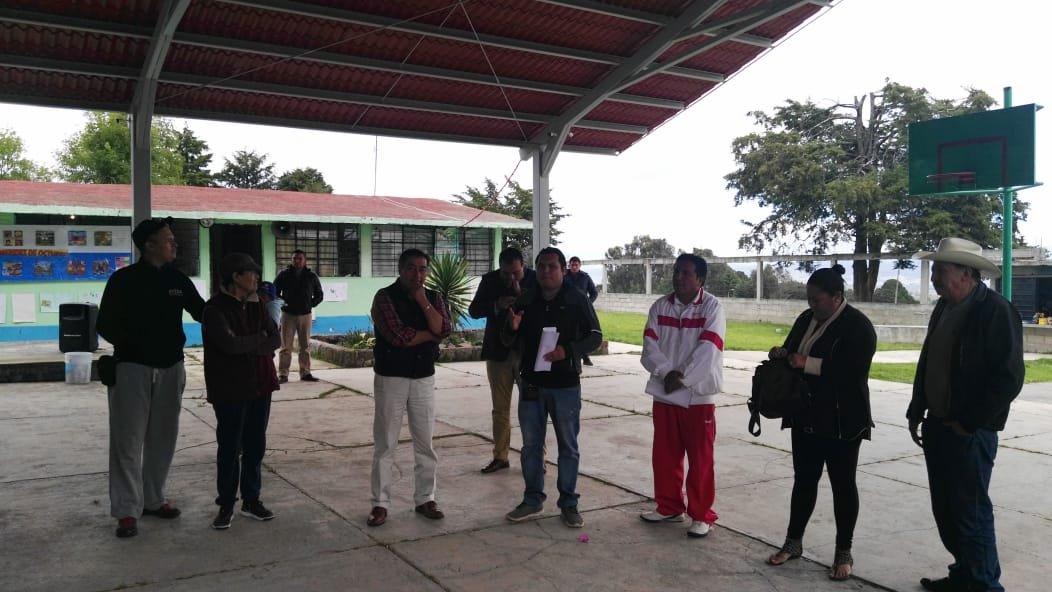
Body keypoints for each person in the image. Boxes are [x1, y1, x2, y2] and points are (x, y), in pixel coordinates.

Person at [907, 238, 1024, 592]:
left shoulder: (995, 311)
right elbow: (928, 361)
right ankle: (965, 575)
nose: (934, 278)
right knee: (946, 510)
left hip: (970, 432)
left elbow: (1009, 378)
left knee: (971, 513)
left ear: (966, 274)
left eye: (940, 270)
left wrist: (969, 421)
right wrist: (917, 408)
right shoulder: (944, 307)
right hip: (938, 424)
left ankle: (985, 585)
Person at [764, 264, 877, 580]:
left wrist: (808, 363)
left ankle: (843, 552)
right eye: (809, 299)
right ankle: (793, 542)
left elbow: (854, 371)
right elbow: (792, 350)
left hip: (843, 419)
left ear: (836, 296)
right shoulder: (806, 318)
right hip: (806, 412)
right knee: (804, 480)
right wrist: (782, 353)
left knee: (843, 485)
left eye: (817, 300)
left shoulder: (859, 326)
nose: (811, 305)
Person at [96, 218, 205, 538]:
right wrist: (134, 346)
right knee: (127, 441)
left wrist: (238, 300)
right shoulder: (123, 280)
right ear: (149, 245)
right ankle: (127, 511)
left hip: (172, 367)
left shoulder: (177, 279)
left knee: (163, 437)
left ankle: (154, 499)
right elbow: (105, 324)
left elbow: (203, 312)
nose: (175, 244)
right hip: (132, 369)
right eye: (168, 239)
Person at [502, 247, 602, 528]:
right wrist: (511, 327)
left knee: (568, 447)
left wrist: (567, 351)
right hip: (531, 383)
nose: (546, 271)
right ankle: (532, 499)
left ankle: (569, 503)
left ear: (563, 270)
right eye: (542, 266)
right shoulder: (526, 298)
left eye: (552, 266)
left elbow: (595, 336)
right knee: (531, 446)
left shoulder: (577, 298)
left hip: (565, 385)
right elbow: (508, 340)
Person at [638, 254, 725, 539]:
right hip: (665, 394)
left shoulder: (712, 307)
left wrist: (682, 378)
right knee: (665, 456)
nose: (678, 277)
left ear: (700, 279)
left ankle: (701, 515)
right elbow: (649, 346)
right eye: (677, 272)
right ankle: (669, 507)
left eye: (686, 273)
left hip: (698, 398)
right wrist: (666, 373)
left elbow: (709, 349)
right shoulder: (660, 306)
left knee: (701, 460)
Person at [366, 249, 451, 527]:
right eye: (412, 268)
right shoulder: (384, 298)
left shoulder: (434, 297)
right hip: (391, 378)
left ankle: (426, 499)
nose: (417, 275)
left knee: (425, 443)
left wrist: (423, 301)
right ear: (401, 270)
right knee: (386, 443)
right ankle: (380, 504)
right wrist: (431, 334)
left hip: (423, 377)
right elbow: (398, 337)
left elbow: (445, 328)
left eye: (423, 269)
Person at [202, 253, 282, 530]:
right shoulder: (214, 309)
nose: (257, 278)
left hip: (261, 384)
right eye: (251, 273)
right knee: (230, 447)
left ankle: (251, 499)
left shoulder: (259, 304)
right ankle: (226, 503)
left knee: (255, 445)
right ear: (235, 277)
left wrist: (251, 344)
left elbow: (276, 338)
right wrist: (259, 339)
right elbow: (230, 346)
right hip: (230, 388)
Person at [468, 247, 536, 474]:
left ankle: (536, 457)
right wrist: (496, 305)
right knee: (500, 409)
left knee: (532, 408)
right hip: (498, 353)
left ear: (523, 266)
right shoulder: (489, 281)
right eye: (506, 273)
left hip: (528, 354)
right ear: (500, 268)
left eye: (515, 273)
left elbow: (543, 310)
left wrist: (520, 294)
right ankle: (500, 456)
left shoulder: (535, 279)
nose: (511, 278)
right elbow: (474, 310)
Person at [273, 249, 324, 383]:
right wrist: (283, 303)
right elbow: (274, 292)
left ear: (305, 260)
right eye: (294, 258)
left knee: (305, 346)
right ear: (291, 260)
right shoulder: (283, 275)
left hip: (305, 315)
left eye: (299, 258)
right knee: (286, 346)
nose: (297, 261)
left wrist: (310, 304)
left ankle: (305, 373)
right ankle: (283, 374)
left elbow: (319, 295)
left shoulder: (311, 276)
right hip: (287, 314)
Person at [566, 256, 598, 366]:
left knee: (583, 332)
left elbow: (594, 293)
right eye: (572, 265)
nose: (574, 267)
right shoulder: (564, 275)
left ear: (579, 265)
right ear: (569, 265)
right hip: (567, 308)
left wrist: (588, 304)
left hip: (582, 310)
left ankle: (585, 356)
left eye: (576, 265)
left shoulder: (585, 277)